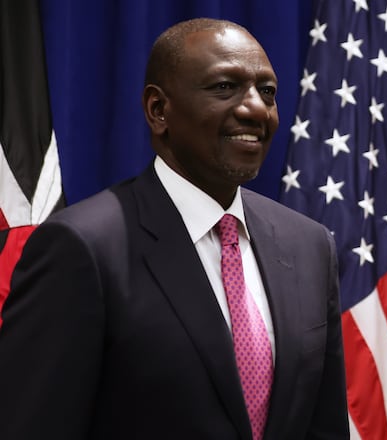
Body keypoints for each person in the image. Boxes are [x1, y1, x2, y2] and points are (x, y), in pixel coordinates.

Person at [0, 18, 348, 439]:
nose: (256, 108)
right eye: (225, 87)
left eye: (267, 92)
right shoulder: (82, 248)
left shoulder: (308, 245)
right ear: (158, 110)